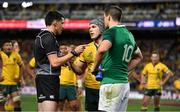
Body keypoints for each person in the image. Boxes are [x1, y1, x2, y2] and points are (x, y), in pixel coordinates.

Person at [92, 5, 143, 112]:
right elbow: (139, 56)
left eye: (104, 17)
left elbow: (102, 50)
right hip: (124, 84)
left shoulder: (111, 32)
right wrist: (125, 70)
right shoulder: (129, 35)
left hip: (111, 83)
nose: (104, 20)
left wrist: (94, 68)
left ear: (109, 17)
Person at [34, 11, 85, 111]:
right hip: (49, 79)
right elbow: (54, 62)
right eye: (62, 23)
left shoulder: (41, 35)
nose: (63, 26)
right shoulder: (49, 37)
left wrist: (64, 59)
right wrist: (74, 53)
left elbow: (49, 60)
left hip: (42, 78)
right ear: (55, 23)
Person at [71, 18, 104, 111]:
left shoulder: (112, 46)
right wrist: (71, 62)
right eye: (89, 27)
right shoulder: (87, 48)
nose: (90, 29)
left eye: (93, 27)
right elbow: (79, 71)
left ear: (101, 28)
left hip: (107, 88)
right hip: (91, 89)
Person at [0, 40, 24, 111]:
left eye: (10, 45)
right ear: (3, 47)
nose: (8, 47)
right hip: (2, 84)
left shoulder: (16, 55)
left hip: (13, 84)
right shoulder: (0, 54)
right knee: (1, 103)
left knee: (17, 101)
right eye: (6, 45)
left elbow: (21, 66)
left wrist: (19, 77)